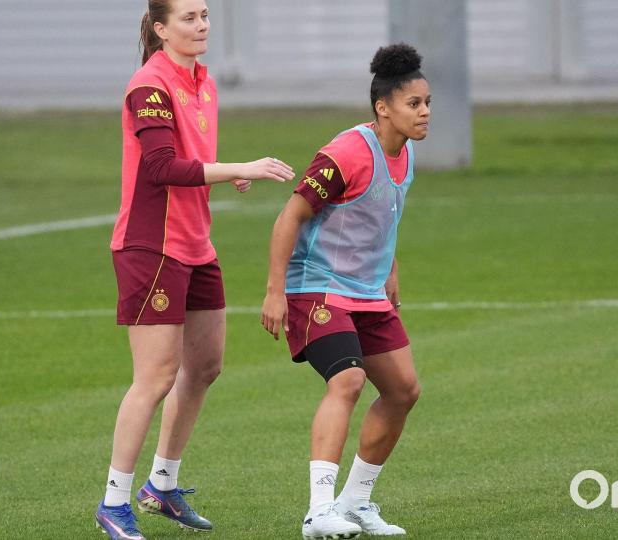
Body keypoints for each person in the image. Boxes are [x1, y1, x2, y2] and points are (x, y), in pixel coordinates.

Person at [95, 1, 295, 538]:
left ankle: (161, 487)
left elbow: (191, 157)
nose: (201, 24)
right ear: (160, 29)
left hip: (196, 245)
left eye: (205, 15)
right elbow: (159, 168)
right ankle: (114, 504)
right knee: (156, 376)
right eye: (188, 17)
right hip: (151, 246)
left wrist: (225, 175)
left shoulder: (203, 82)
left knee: (204, 366)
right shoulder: (149, 85)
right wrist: (239, 167)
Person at [261, 43, 430, 539]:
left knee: (402, 391)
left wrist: (390, 268)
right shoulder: (347, 152)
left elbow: (381, 215)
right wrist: (275, 291)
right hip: (317, 288)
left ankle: (355, 502)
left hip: (367, 291)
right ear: (384, 108)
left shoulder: (407, 153)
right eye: (413, 104)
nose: (423, 113)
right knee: (349, 381)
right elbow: (291, 215)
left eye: (427, 103)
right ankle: (318, 512)